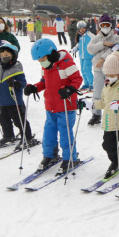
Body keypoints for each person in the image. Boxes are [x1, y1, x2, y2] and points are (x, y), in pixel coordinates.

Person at [24, 38, 83, 174]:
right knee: (48, 133)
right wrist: (34, 88)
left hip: (66, 106)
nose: (41, 62)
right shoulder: (45, 67)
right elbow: (43, 83)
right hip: (50, 107)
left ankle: (70, 158)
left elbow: (77, 79)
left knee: (65, 134)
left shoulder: (66, 64)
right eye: (39, 60)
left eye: (43, 59)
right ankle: (50, 155)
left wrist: (69, 89)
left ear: (51, 54)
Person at [0, 43, 38, 149]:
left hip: (14, 101)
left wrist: (16, 83)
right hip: (2, 101)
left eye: (7, 55)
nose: (4, 57)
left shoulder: (17, 70)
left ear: (13, 56)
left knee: (19, 120)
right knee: (3, 119)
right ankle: (8, 135)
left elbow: (23, 83)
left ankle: (27, 137)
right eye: (2, 55)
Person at [87, 14, 119, 126]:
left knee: (112, 92)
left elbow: (116, 49)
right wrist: (103, 44)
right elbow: (90, 49)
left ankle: (114, 114)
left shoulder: (117, 38)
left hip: (111, 70)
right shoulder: (96, 38)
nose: (105, 27)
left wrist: (102, 58)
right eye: (103, 25)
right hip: (98, 70)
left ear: (111, 26)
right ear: (100, 26)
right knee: (97, 92)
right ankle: (96, 115)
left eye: (107, 24)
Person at [74, 21, 94, 91]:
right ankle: (86, 83)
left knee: (87, 69)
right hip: (82, 56)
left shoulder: (89, 35)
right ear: (78, 29)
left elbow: (96, 41)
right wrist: (75, 48)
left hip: (88, 55)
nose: (82, 29)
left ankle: (92, 84)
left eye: (84, 28)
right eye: (81, 28)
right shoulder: (80, 36)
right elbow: (79, 44)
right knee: (83, 70)